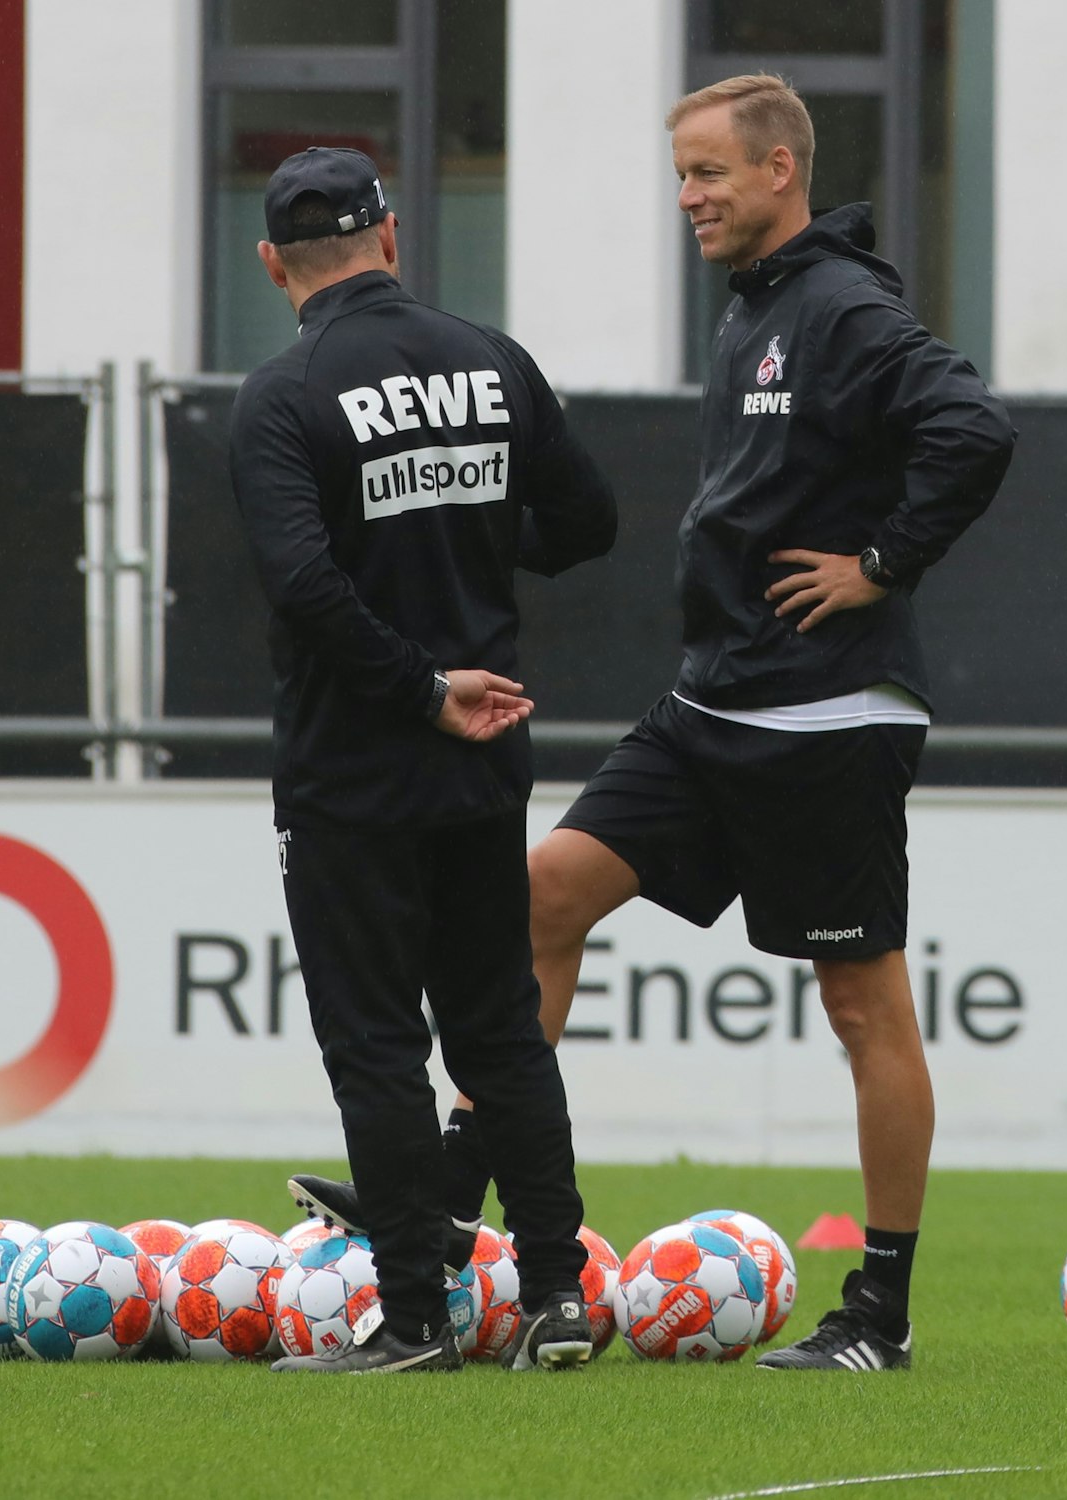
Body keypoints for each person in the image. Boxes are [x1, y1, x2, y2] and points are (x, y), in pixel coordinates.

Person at [443, 75, 1016, 1371]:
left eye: (710, 173)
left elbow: (974, 429)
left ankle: (879, 1314)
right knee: (540, 900)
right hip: (714, 702)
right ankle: (448, 1210)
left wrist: (881, 559)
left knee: (862, 1004)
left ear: (779, 173)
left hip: (824, 713)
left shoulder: (842, 306)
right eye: (681, 175)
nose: (690, 197)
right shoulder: (757, 308)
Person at [231, 147, 619, 1373]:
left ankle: (410, 1321)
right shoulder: (491, 361)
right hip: (483, 760)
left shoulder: (283, 394)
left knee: (376, 1046)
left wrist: (415, 688)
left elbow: (301, 584)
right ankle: (556, 1297)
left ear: (271, 265)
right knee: (498, 1030)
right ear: (389, 240)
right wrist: (468, 535)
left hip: (357, 769)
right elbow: (588, 522)